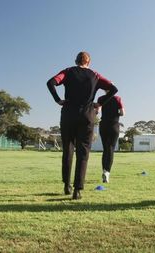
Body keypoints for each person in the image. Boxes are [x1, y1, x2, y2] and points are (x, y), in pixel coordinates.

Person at [47, 51, 118, 200]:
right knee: (83, 153)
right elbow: (113, 89)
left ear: (76, 60)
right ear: (89, 62)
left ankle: (67, 185)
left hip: (68, 114)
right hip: (87, 115)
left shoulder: (67, 72)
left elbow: (51, 82)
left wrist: (58, 100)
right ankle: (77, 190)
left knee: (68, 149)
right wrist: (100, 103)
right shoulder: (95, 75)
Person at [96, 92, 125, 183]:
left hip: (103, 125)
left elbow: (97, 111)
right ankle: (107, 172)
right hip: (114, 125)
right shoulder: (117, 99)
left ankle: (104, 170)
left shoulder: (101, 98)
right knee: (110, 148)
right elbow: (122, 113)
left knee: (105, 149)